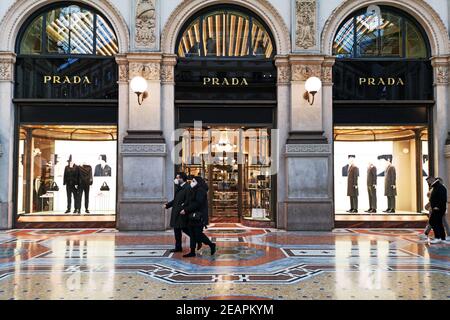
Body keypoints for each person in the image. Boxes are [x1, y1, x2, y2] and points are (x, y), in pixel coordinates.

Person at [181, 176, 216, 257]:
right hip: (192, 215)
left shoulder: (201, 191)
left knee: (197, 234)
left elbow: (197, 203)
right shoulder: (194, 189)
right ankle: (192, 251)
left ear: (198, 182)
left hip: (198, 216)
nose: (191, 182)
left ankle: (211, 245)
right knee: (192, 233)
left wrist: (186, 210)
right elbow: (190, 201)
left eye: (193, 181)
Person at [164, 173, 191, 252]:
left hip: (182, 212)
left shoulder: (187, 187)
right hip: (176, 212)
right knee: (177, 231)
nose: (176, 179)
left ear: (182, 179)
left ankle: (198, 239)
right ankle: (178, 247)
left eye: (178, 178)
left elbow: (188, 200)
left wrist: (185, 209)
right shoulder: (179, 187)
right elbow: (176, 200)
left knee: (185, 229)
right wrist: (167, 205)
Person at [420, 177, 449, 243]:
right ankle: (442, 237)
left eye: (428, 182)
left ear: (432, 180)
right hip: (435, 208)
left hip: (437, 209)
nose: (428, 183)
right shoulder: (436, 187)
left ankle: (438, 237)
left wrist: (437, 206)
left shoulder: (440, 187)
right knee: (438, 223)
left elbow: (442, 199)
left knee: (435, 223)